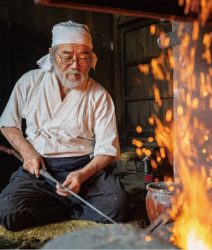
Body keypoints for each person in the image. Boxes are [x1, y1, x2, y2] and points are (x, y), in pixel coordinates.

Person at [0, 20, 128, 231]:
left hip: (85, 170)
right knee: (8, 212)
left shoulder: (99, 95)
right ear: (52, 54)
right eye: (67, 57)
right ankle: (68, 206)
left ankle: (64, 203)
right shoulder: (29, 82)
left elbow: (107, 150)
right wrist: (28, 153)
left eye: (83, 57)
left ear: (91, 58)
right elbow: (8, 124)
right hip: (40, 170)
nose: (75, 65)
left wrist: (82, 175)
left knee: (117, 206)